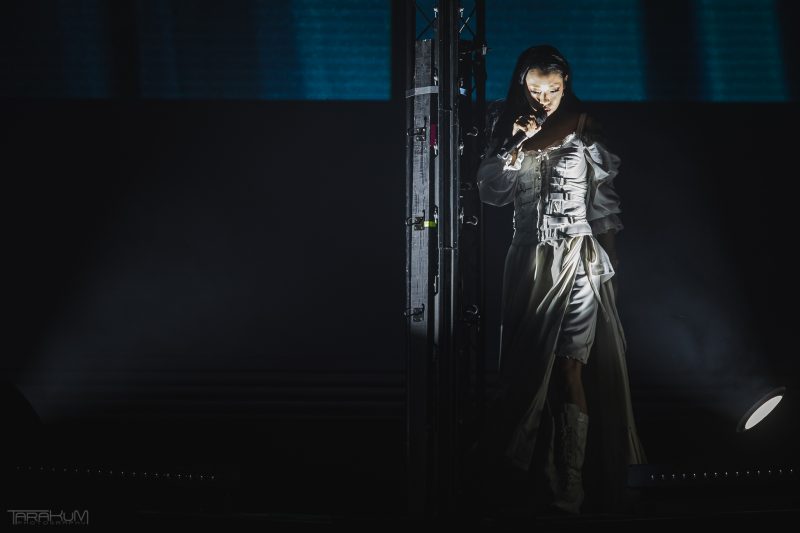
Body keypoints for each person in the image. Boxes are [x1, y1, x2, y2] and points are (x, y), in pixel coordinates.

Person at [473, 45, 647, 516]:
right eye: (535, 89)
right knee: (531, 368)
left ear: (565, 84)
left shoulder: (584, 125)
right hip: (529, 259)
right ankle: (534, 478)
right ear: (522, 85)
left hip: (578, 257)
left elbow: (604, 204)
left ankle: (569, 487)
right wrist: (515, 143)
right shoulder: (505, 122)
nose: (544, 97)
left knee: (570, 365)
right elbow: (492, 192)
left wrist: (610, 269)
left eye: (553, 89)